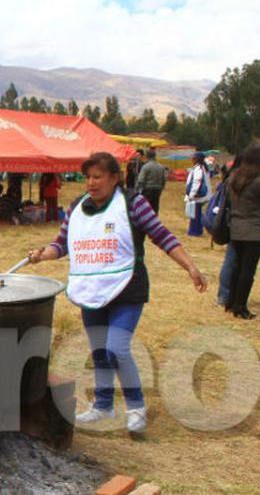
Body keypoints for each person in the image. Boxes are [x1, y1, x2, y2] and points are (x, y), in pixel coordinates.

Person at [28, 152, 207, 438]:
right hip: (92, 290)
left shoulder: (134, 204)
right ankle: (103, 405)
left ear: (114, 178)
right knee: (99, 351)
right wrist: (42, 255)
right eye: (87, 177)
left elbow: (162, 235)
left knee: (117, 348)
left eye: (97, 177)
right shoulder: (76, 208)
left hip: (127, 289)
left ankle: (136, 407)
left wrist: (190, 267)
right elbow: (61, 244)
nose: (91, 182)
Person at [222, 142, 260, 319]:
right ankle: (241, 307)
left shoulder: (234, 177)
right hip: (254, 232)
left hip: (236, 229)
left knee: (237, 267)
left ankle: (231, 301)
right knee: (248, 271)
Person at [184, 151, 211, 237]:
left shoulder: (198, 169)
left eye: (193, 158)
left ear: (197, 159)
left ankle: (194, 231)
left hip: (197, 195)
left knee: (194, 214)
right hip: (200, 195)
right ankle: (198, 230)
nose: (192, 159)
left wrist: (191, 195)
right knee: (197, 213)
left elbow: (196, 182)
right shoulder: (203, 168)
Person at [135, 148, 166, 214]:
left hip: (147, 190)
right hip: (157, 190)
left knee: (145, 208)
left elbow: (141, 180)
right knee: (155, 207)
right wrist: (161, 188)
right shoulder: (161, 167)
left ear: (147, 156)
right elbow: (164, 179)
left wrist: (137, 190)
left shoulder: (146, 166)